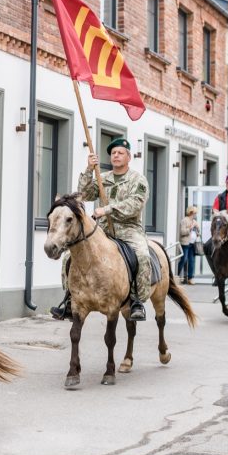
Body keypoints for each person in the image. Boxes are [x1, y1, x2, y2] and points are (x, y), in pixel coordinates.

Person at [51, 136, 151, 321]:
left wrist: (107, 209)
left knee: (143, 255)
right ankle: (69, 299)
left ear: (129, 157)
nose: (116, 156)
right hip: (102, 230)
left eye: (120, 152)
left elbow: (135, 204)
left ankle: (137, 300)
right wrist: (89, 169)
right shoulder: (102, 177)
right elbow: (84, 193)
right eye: (113, 153)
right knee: (69, 256)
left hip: (128, 229)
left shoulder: (138, 180)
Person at [178, 206, 199, 285]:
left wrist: (197, 230)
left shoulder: (194, 221)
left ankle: (190, 278)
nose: (195, 215)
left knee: (191, 261)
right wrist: (191, 227)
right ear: (191, 213)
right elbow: (182, 232)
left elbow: (197, 232)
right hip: (185, 243)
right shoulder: (184, 220)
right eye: (195, 213)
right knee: (184, 259)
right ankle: (177, 275)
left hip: (192, 243)